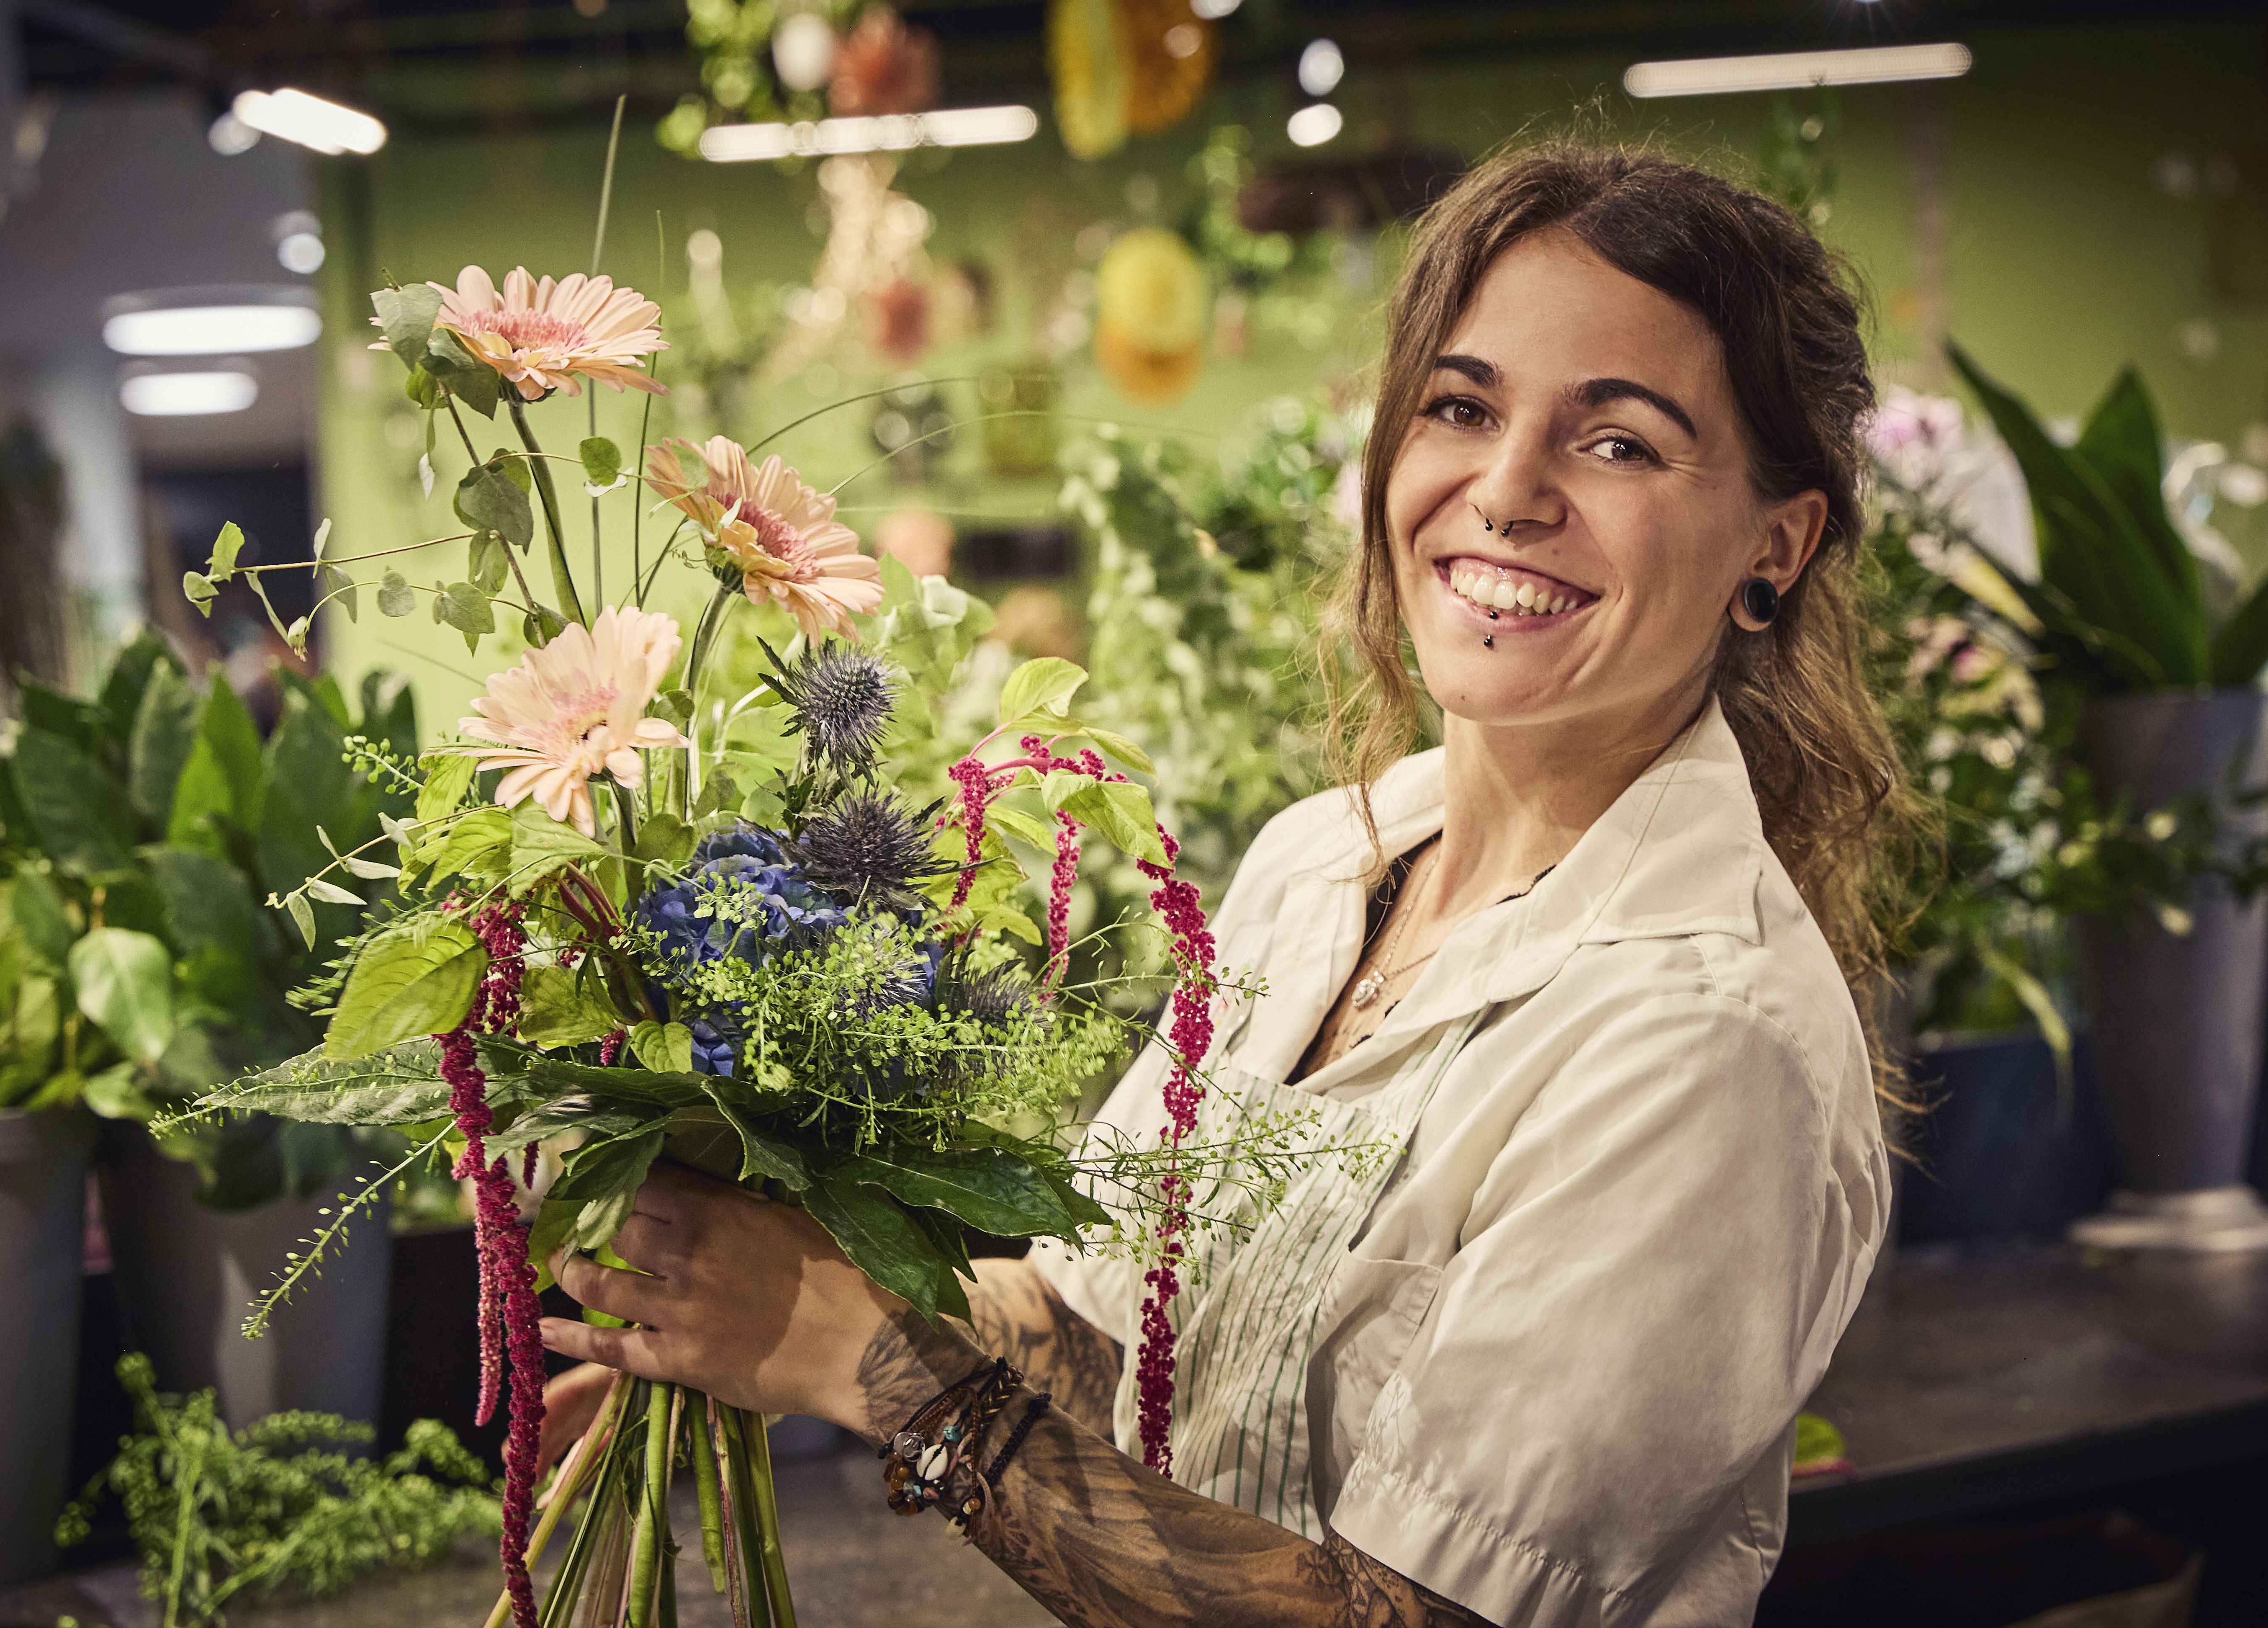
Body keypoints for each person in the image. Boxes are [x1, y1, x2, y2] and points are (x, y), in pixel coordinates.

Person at [535, 141, 1907, 1628]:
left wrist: (870, 1365)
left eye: (1620, 442)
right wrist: (749, 1294)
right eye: (1461, 407)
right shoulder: (1325, 862)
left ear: (1776, 546)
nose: (1505, 491)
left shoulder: (1705, 1037)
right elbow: (1100, 1335)